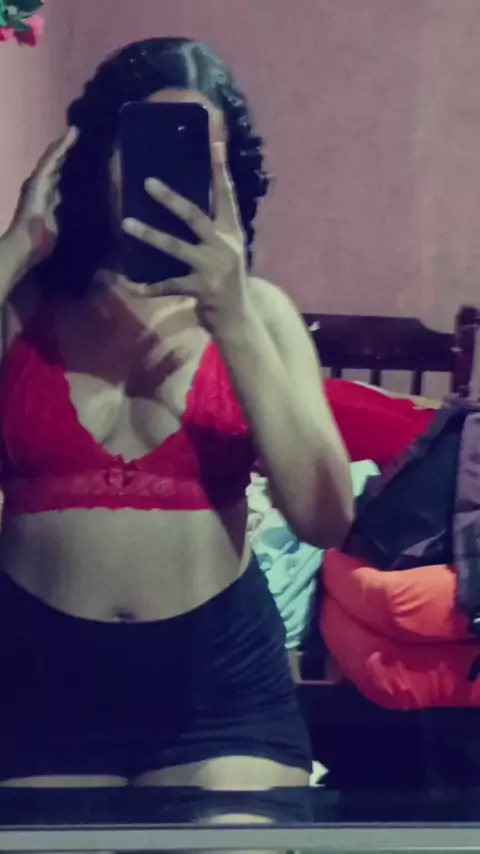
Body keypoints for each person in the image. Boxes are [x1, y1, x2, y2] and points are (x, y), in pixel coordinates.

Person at [0, 38, 352, 824]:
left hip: (218, 687)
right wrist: (16, 248)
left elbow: (325, 519)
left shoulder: (261, 313)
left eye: (199, 157)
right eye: (138, 151)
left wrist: (233, 319)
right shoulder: (22, 304)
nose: (165, 180)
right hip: (37, 681)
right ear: (93, 160)